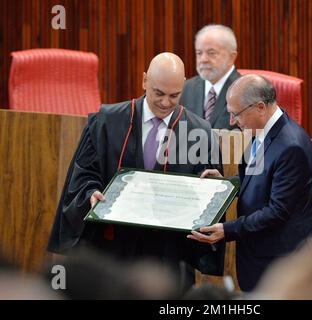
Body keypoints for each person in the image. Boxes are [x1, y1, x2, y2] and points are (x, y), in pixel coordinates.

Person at [47, 52, 224, 291]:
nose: (165, 102)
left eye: (174, 95)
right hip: (114, 246)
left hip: (168, 251)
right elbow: (85, 173)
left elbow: (206, 186)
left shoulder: (199, 131)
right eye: (158, 93)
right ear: (144, 81)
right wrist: (90, 191)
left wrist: (213, 188)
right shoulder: (107, 121)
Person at [188, 74, 312, 291]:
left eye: (235, 114)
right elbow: (262, 179)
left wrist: (227, 229)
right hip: (261, 257)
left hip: (280, 265)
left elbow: (277, 211)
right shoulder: (265, 131)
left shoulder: (291, 146)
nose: (232, 122)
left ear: (260, 107)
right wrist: (227, 184)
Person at [179, 24, 240, 130]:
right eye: (199, 53)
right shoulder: (185, 88)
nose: (203, 59)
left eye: (211, 53)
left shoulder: (245, 91)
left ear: (231, 57)